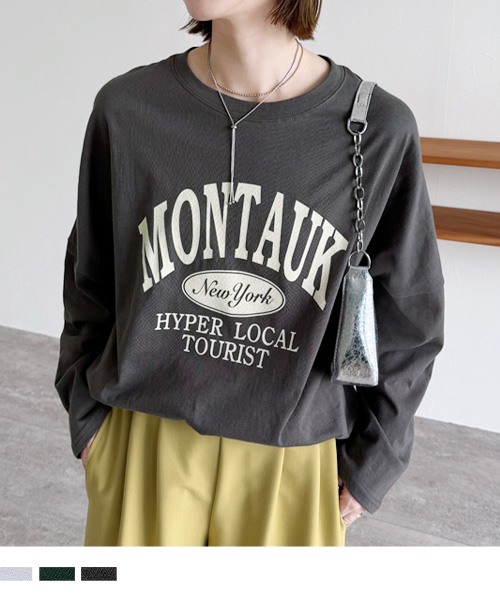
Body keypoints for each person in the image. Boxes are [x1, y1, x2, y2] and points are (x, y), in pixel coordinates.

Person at [54, 0, 445, 546]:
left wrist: (374, 462)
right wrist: (89, 421)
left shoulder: (377, 130)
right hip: (143, 438)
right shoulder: (128, 109)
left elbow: (409, 314)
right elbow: (90, 278)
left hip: (294, 456)